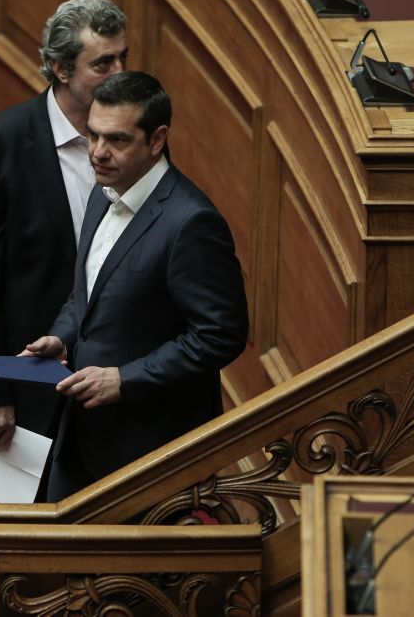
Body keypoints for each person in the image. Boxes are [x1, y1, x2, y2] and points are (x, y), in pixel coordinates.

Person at [23, 71, 249, 502]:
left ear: (157, 139)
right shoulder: (104, 189)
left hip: (148, 450)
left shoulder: (191, 223)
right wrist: (62, 336)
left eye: (117, 140)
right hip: (82, 431)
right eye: (92, 135)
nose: (97, 152)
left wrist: (125, 379)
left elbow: (221, 334)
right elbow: (88, 291)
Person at [0, 0, 128, 463]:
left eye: (122, 58)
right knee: (25, 510)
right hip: (30, 382)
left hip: (117, 377)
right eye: (103, 63)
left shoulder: (137, 135)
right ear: (61, 69)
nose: (120, 73)